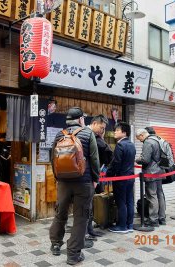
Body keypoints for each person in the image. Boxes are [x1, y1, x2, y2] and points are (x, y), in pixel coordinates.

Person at [49, 107, 100, 265]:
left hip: (63, 183)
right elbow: (94, 159)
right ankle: (73, 254)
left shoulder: (60, 134)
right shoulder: (87, 133)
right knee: (81, 218)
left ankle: (56, 244)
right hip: (83, 183)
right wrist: (95, 178)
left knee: (60, 213)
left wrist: (58, 178)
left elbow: (53, 159)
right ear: (81, 119)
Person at [85, 115, 112, 243]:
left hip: (87, 176)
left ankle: (89, 230)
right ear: (95, 123)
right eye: (101, 128)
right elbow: (108, 153)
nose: (102, 131)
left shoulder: (86, 133)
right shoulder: (91, 136)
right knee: (86, 205)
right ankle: (85, 233)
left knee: (89, 205)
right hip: (87, 177)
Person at [106, 122, 136, 233]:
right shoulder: (132, 144)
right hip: (130, 177)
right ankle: (129, 225)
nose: (115, 132)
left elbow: (116, 163)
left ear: (124, 132)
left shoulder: (120, 145)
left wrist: (109, 174)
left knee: (121, 202)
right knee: (129, 201)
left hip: (120, 178)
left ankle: (122, 226)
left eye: (117, 130)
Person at [135, 128, 166, 227]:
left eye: (139, 138)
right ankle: (162, 218)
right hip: (159, 171)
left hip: (151, 172)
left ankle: (153, 220)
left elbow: (145, 160)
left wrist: (137, 160)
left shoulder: (148, 142)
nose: (139, 140)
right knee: (159, 194)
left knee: (151, 195)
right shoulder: (158, 139)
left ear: (142, 135)